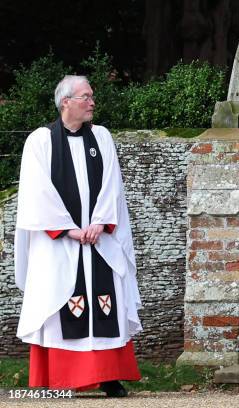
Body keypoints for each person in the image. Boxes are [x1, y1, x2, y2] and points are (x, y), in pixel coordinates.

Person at [14, 75, 142, 396]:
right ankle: (62, 380)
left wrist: (99, 223)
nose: (92, 102)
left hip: (99, 241)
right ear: (65, 102)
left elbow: (113, 186)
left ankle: (109, 377)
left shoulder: (102, 137)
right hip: (59, 243)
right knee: (62, 304)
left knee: (105, 305)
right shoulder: (40, 141)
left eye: (92, 96)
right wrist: (69, 229)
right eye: (85, 97)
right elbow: (36, 192)